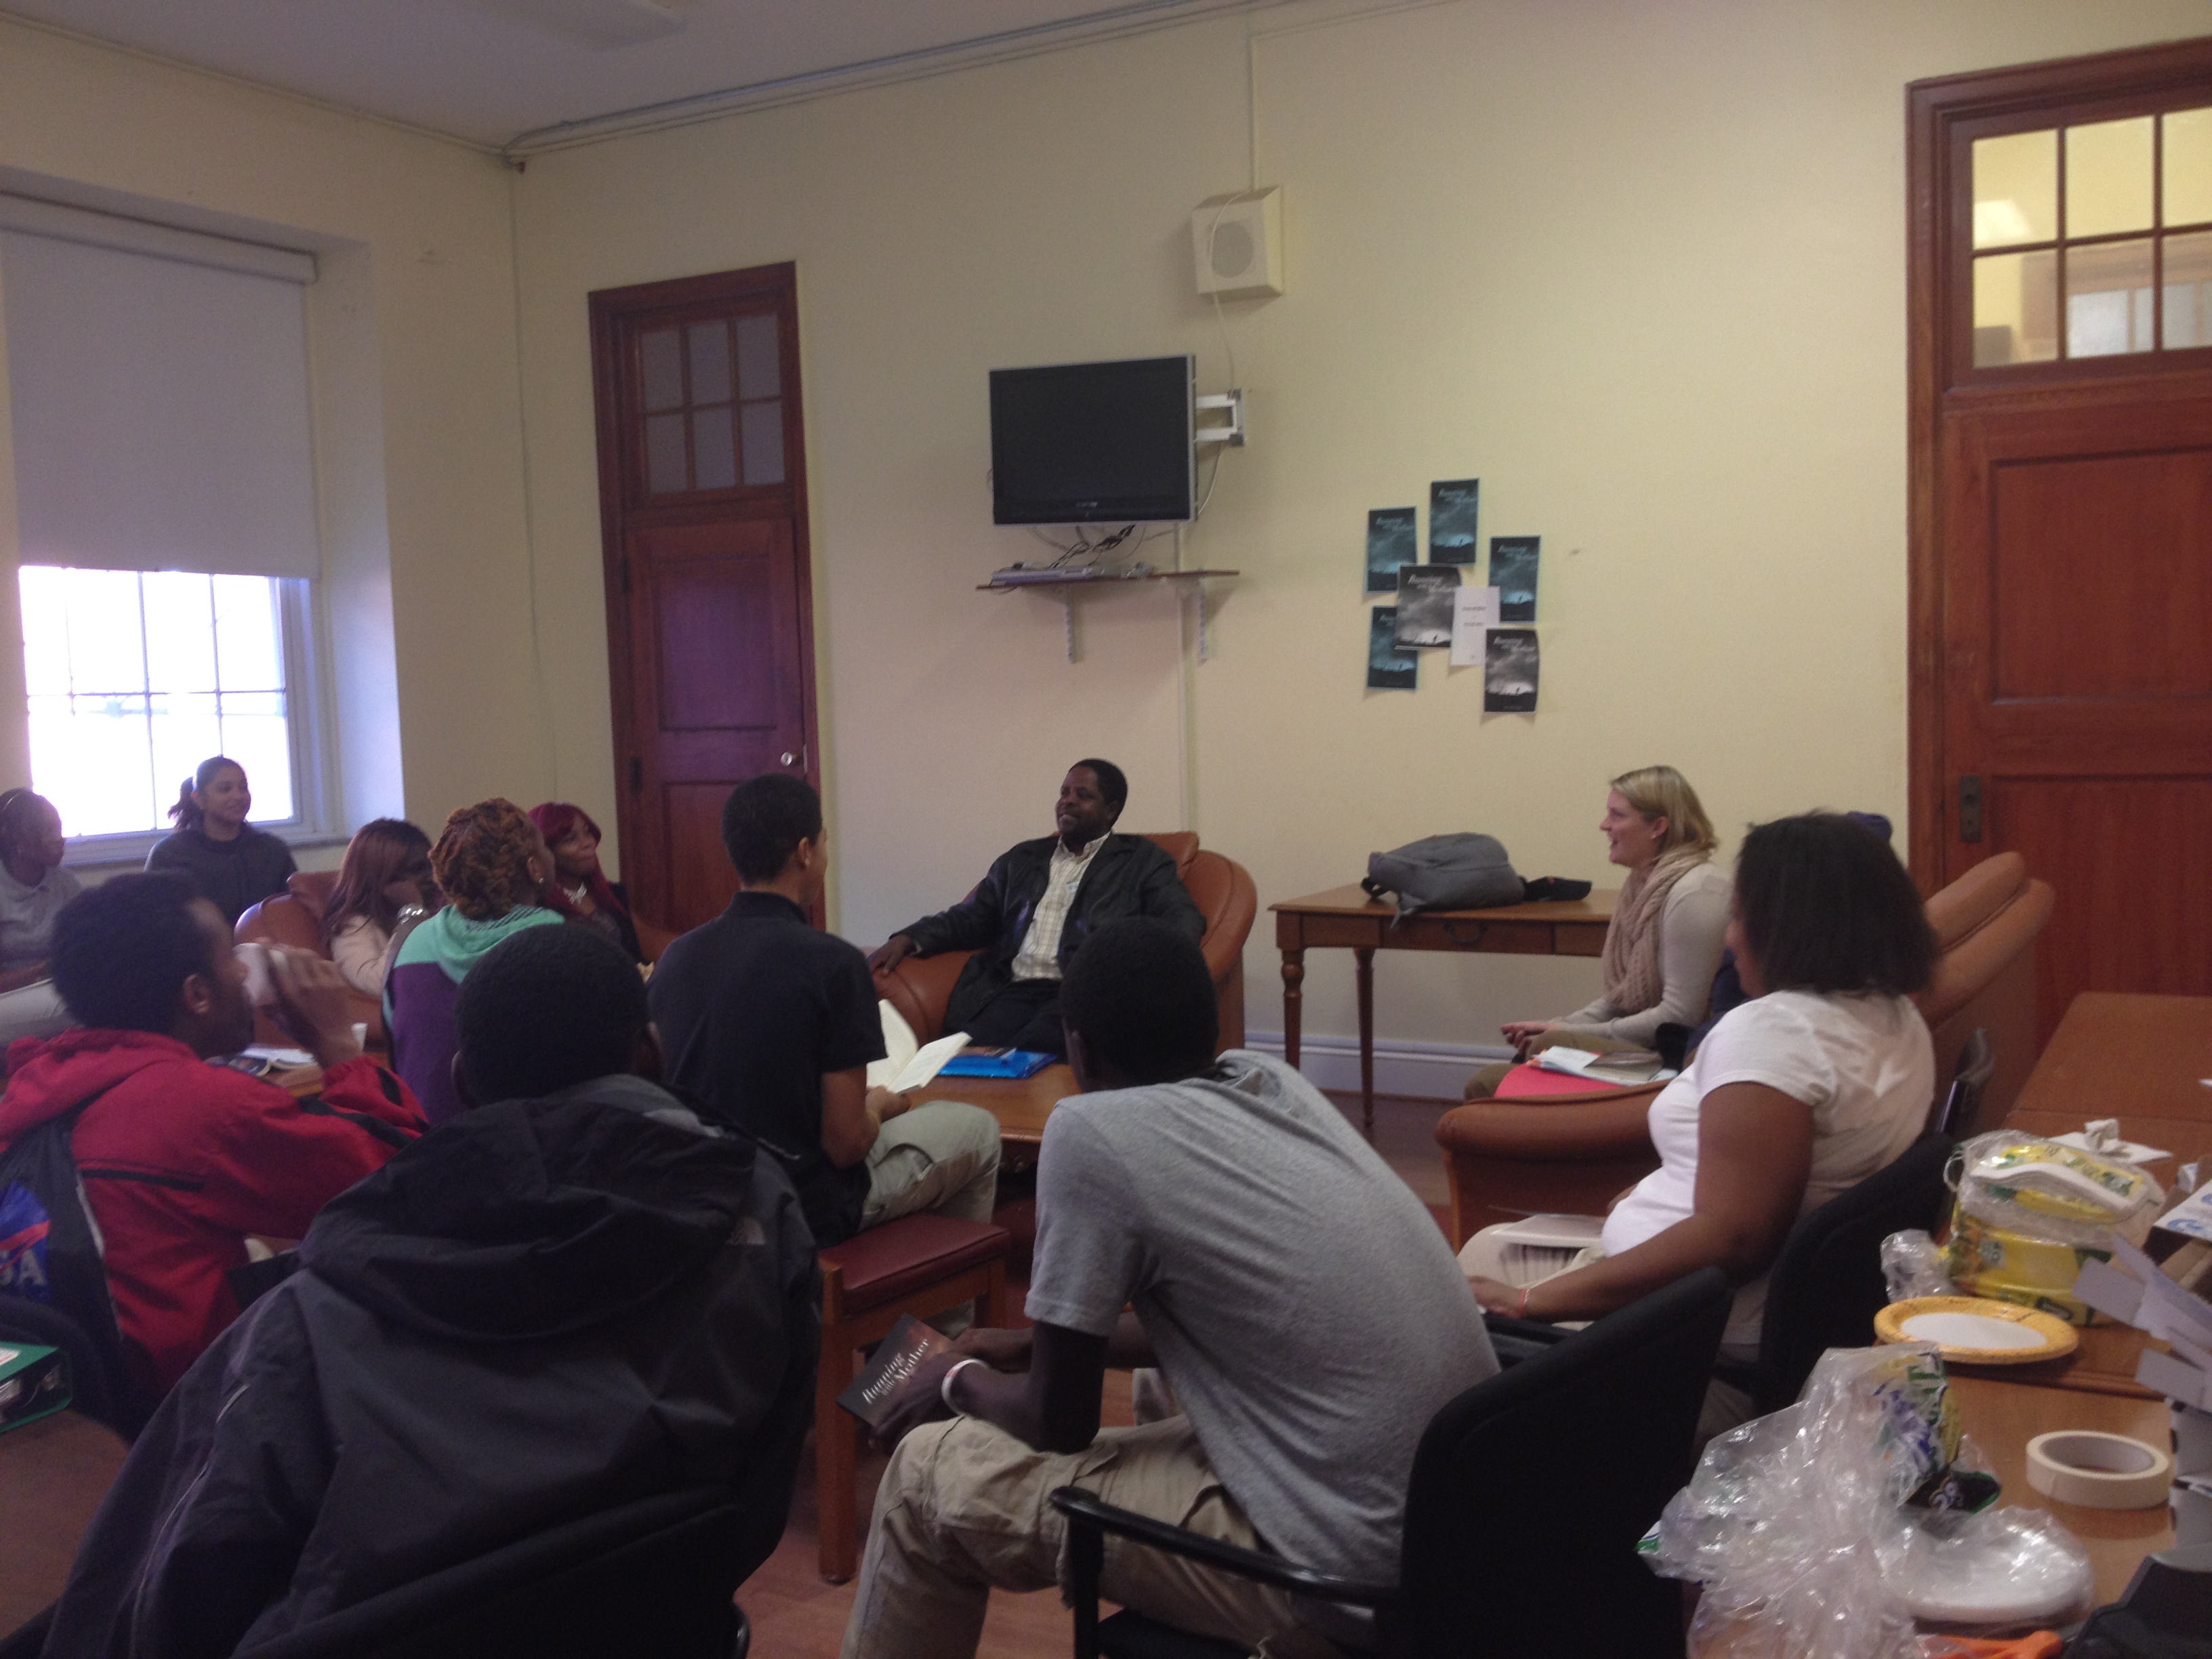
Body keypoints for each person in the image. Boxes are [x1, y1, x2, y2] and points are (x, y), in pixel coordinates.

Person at [37, 923, 819, 1659]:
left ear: (463, 1081)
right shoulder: (760, 1211)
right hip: (656, 1620)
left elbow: (173, 1598)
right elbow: (757, 1489)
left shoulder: (308, 1319)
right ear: (651, 1053)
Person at [839, 919, 1496, 1659]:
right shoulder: (1271, 1083)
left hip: (1342, 1575)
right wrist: (1023, 1346)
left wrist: (955, 1382)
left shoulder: (1091, 1135)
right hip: (1452, 1530)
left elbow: (1060, 1422)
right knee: (1153, 1387)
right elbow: (1254, 1314)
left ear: (1077, 1046)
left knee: (927, 1472)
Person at [1460, 813, 1937, 1438]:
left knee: (1442, 1310)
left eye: (1740, 917)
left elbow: (1733, 1238)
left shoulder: (1773, 1035)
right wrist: (1670, 1183)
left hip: (1684, 1343)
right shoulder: (1896, 1017)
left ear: (1788, 925)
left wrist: (1529, 1304)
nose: (1731, 940)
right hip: (1722, 1318)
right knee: (1487, 1250)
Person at [0, 874, 424, 1400]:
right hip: (195, 1412)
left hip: (83, 1396)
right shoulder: (201, 1106)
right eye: (230, 953)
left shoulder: (39, 1082)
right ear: (197, 995)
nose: (247, 967)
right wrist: (338, 1043)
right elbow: (406, 1181)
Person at [653, 775, 1000, 1254]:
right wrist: (878, 1105)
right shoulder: (833, 963)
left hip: (698, 1202)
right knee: (977, 1130)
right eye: (824, 843)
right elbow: (846, 1144)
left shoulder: (677, 957)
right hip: (799, 1208)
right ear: (804, 852)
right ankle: (935, 1328)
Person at [866, 760, 1204, 1058]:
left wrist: (1136, 968)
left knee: (1030, 1056)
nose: (1067, 800)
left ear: (1111, 810)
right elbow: (972, 917)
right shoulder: (1023, 859)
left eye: (1082, 794)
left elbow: (1181, 918)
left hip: (1079, 995)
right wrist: (911, 938)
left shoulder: (1142, 861)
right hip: (1009, 989)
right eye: (1064, 792)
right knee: (960, 1058)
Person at [1473, 764, 1731, 1095]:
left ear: (1658, 826)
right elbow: (1619, 1001)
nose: (1604, 825)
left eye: (1617, 815)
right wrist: (1559, 1025)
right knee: (1494, 1077)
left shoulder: (1696, 892)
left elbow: (1680, 1016)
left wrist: (1559, 1034)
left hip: (1679, 1054)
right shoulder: (1641, 885)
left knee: (1541, 1049)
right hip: (1650, 1044)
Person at [386, 798, 565, 1126]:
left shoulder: (409, 945)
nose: (550, 856)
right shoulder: (554, 941)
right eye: (545, 849)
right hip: (527, 1152)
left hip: (421, 1149)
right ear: (534, 868)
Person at [144, 756, 298, 926]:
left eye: (243, 787)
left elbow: (293, 913)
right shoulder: (169, 854)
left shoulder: (273, 850)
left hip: (266, 946)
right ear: (199, 799)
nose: (238, 796)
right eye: (225, 789)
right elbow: (153, 923)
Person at [0, 787, 83, 1046]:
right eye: (50, 831)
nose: (61, 839)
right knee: (79, 1008)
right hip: (9, 996)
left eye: (59, 828)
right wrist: (44, 969)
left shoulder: (66, 884)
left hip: (54, 987)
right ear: (19, 841)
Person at [319, 817, 436, 998]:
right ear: (385, 879)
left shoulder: (439, 906)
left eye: (433, 865)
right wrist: (413, 913)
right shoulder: (354, 925)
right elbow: (379, 984)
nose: (433, 877)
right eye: (418, 869)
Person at [529, 800, 643, 962]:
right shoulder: (540, 908)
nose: (588, 843)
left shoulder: (613, 894)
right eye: (571, 839)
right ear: (546, 852)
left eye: (587, 832)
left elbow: (635, 955)